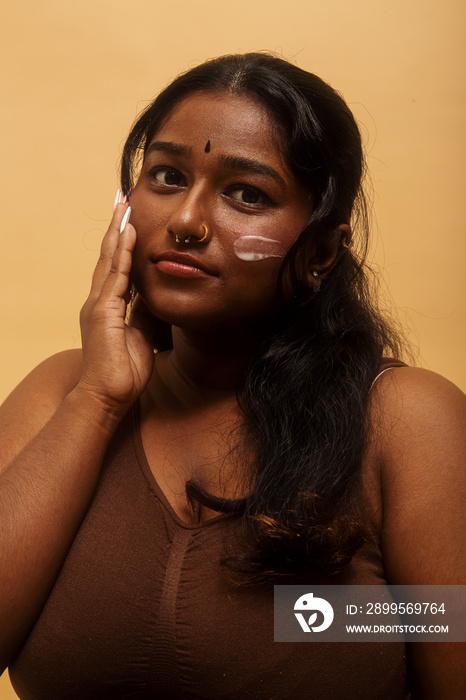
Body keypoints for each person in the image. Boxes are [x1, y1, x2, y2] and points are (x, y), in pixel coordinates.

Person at [0, 53, 464, 699]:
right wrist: (97, 402)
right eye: (165, 176)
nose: (186, 222)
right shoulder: (62, 393)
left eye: (247, 193)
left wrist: (331, 620)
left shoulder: (407, 421)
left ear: (323, 251)